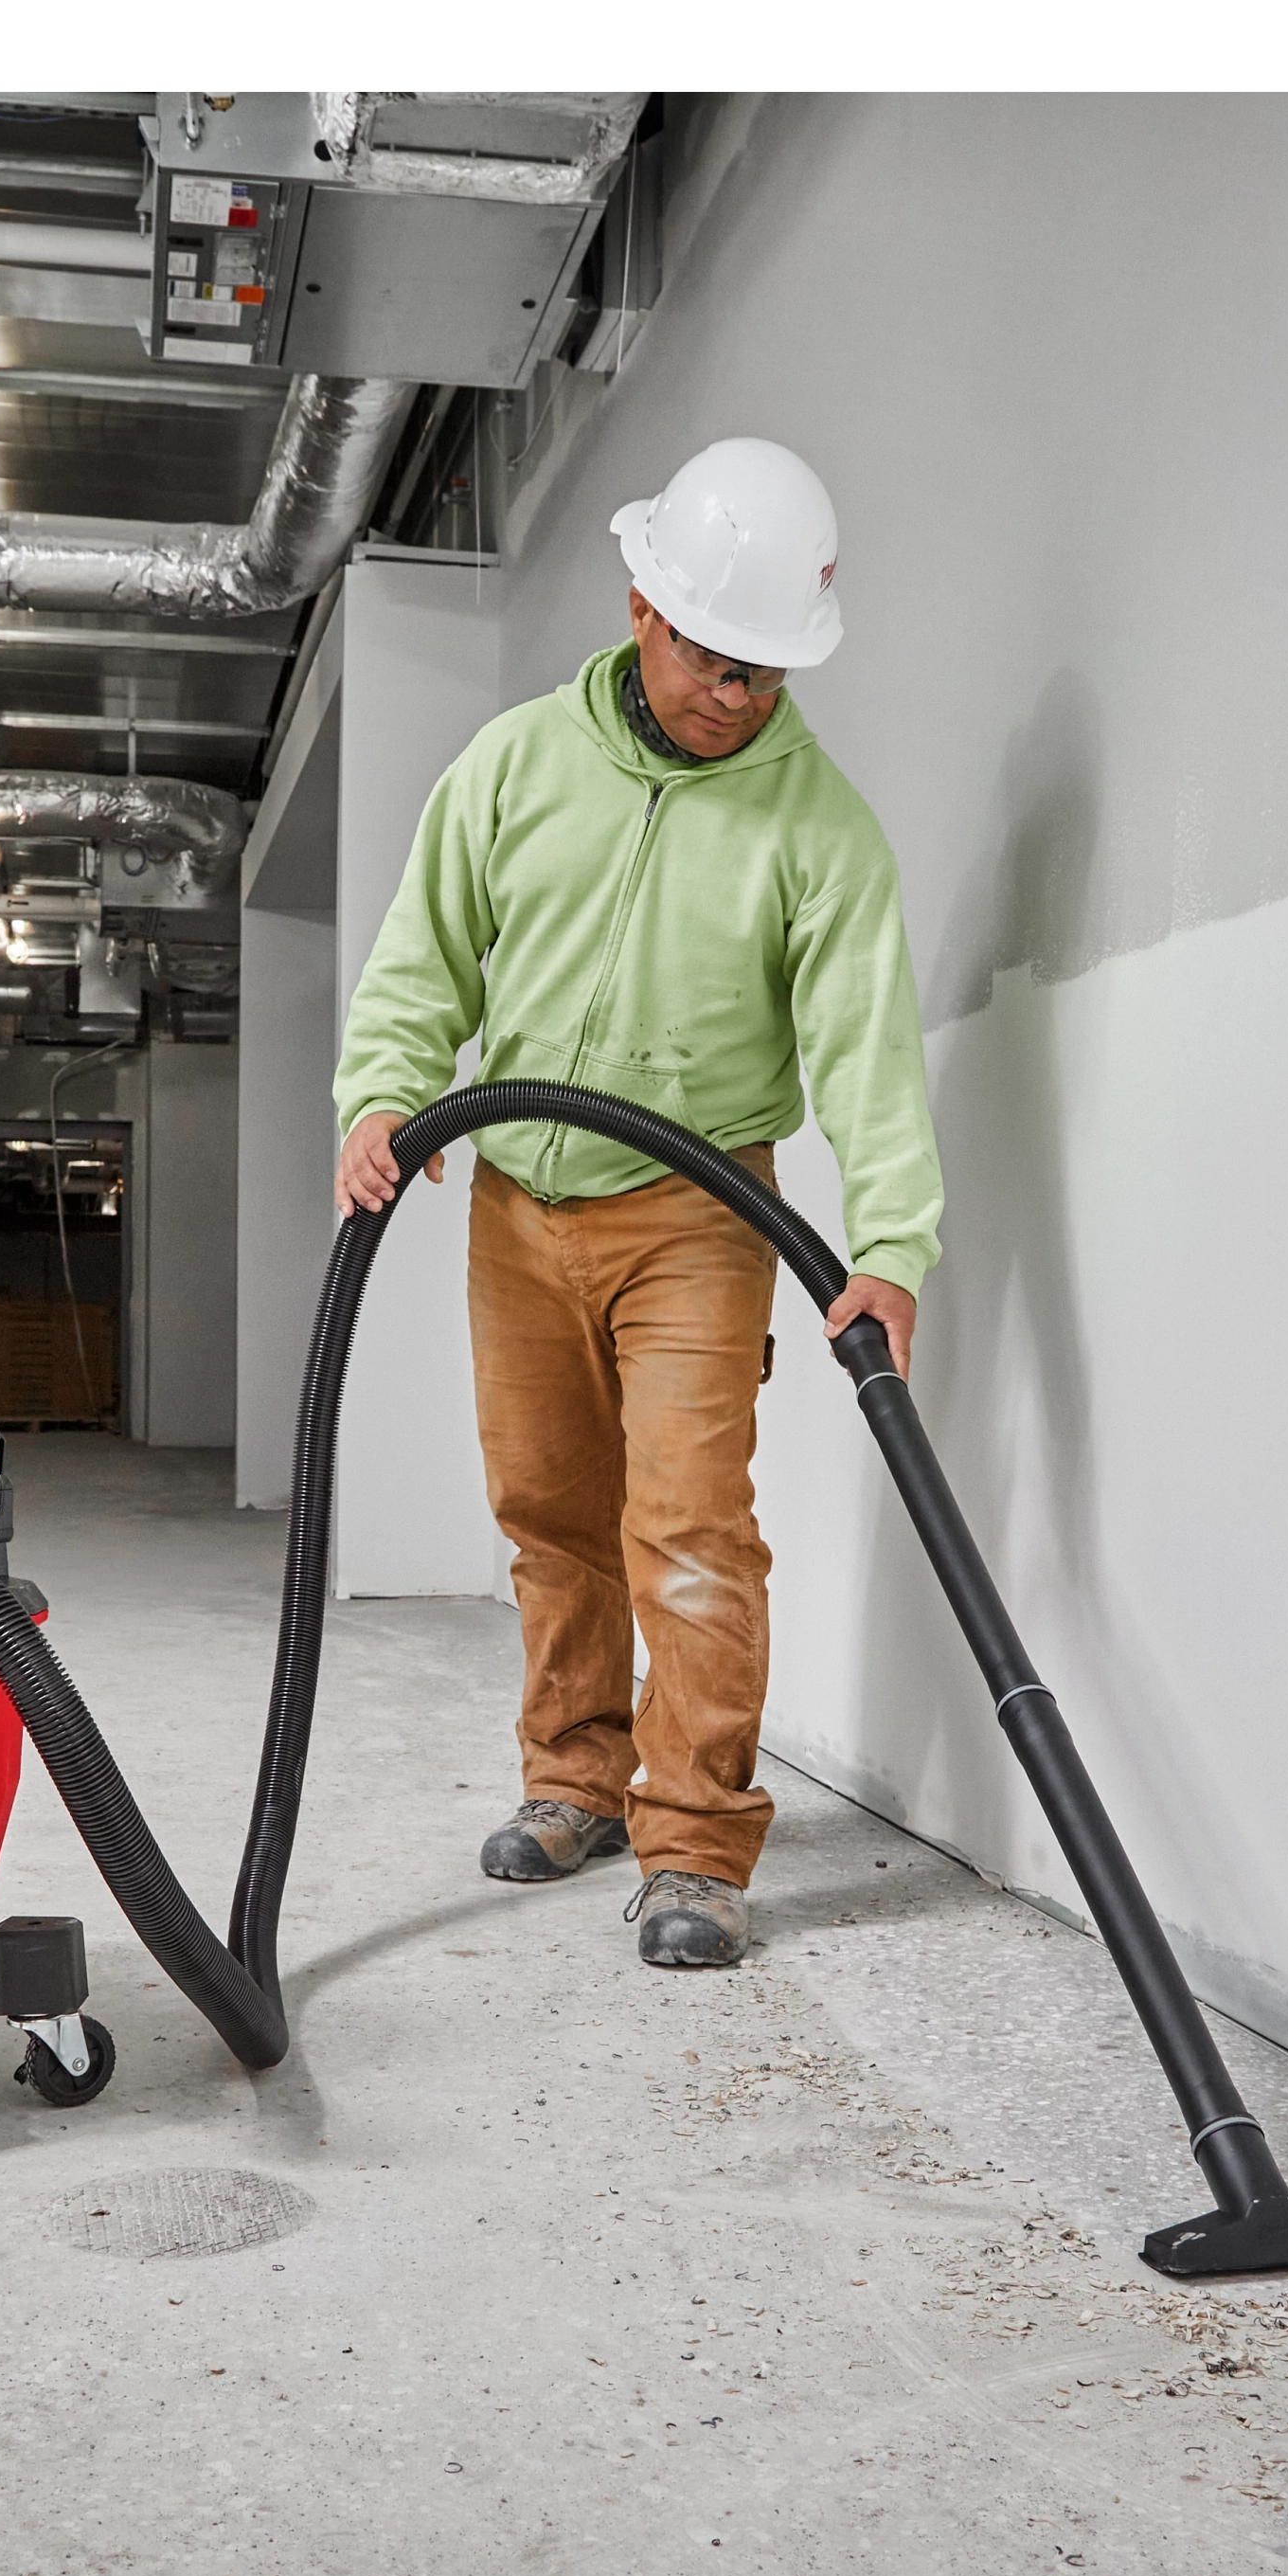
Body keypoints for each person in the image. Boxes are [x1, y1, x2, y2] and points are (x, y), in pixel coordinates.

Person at [332, 440, 939, 1970]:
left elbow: (867, 1054)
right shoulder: (515, 766)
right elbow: (424, 955)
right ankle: (575, 1778)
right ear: (644, 611)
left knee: (688, 1527)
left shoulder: (820, 830)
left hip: (699, 1212)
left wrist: (889, 1247)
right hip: (518, 1200)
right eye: (716, 660)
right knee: (548, 1511)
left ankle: (696, 1847)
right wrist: (383, 1094)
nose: (739, 695)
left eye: (766, 672)